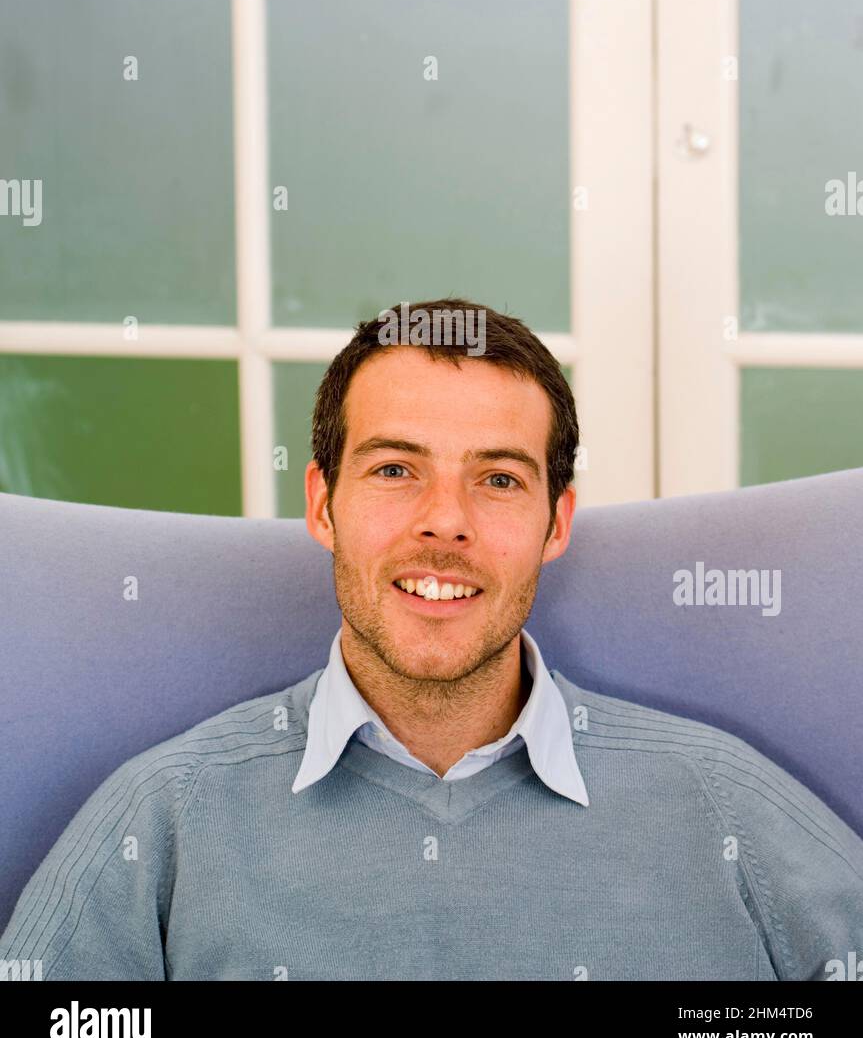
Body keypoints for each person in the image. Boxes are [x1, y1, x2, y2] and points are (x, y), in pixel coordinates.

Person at [2, 297, 862, 981]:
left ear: (555, 522)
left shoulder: (725, 803)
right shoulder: (161, 818)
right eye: (393, 470)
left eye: (496, 478)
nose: (443, 523)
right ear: (320, 503)